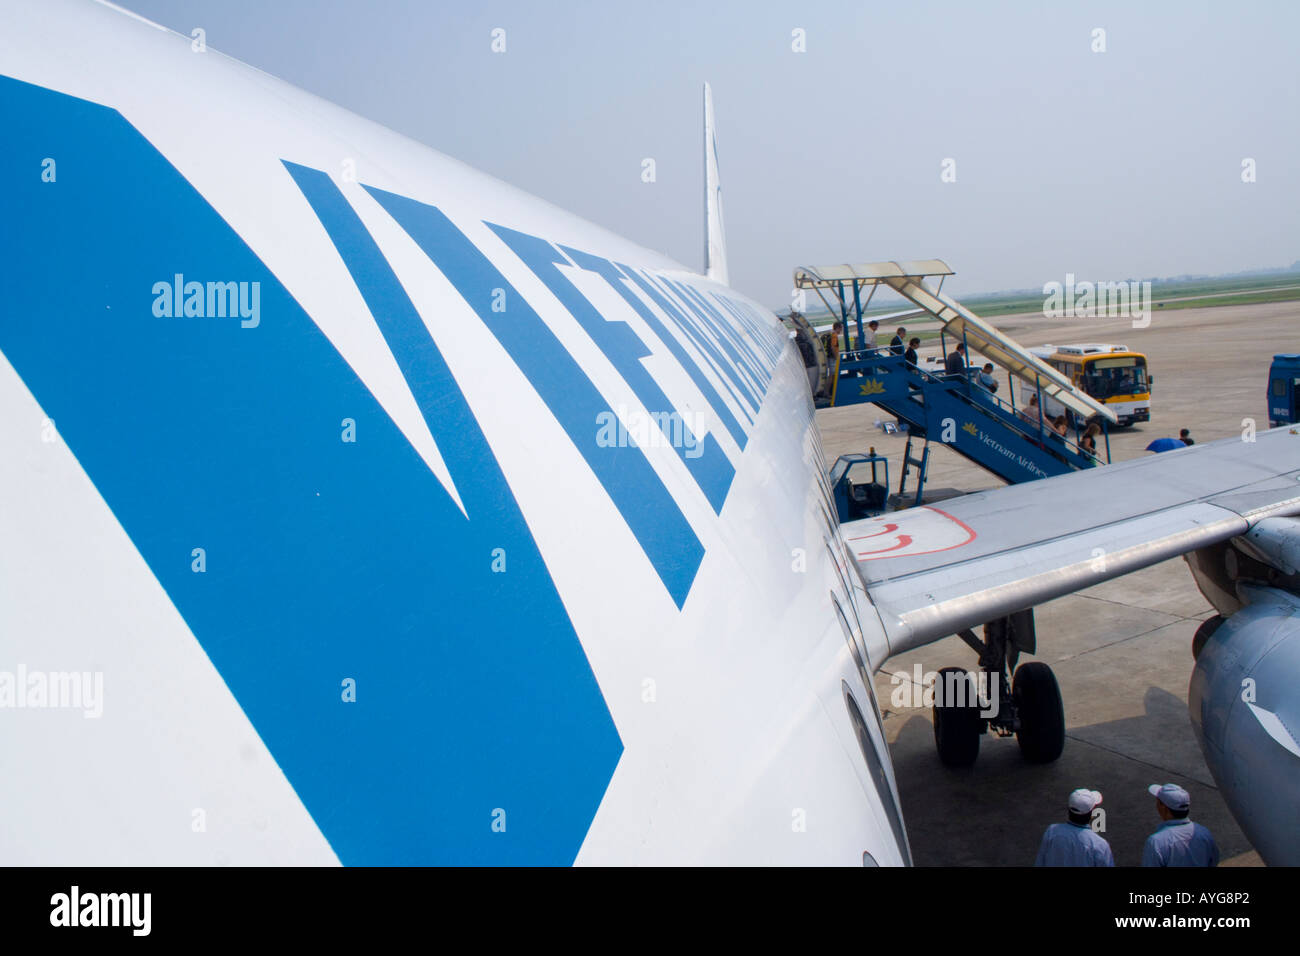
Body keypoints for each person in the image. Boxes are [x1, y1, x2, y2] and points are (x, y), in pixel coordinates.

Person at [1141, 784, 1219, 867]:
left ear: (1164, 807)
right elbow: (1213, 861)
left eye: (1158, 801)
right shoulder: (1204, 833)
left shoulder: (1156, 842)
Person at [1034, 789, 1114, 866]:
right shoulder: (1100, 846)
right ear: (1092, 812)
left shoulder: (1051, 832)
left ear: (1069, 809)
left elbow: (1040, 862)